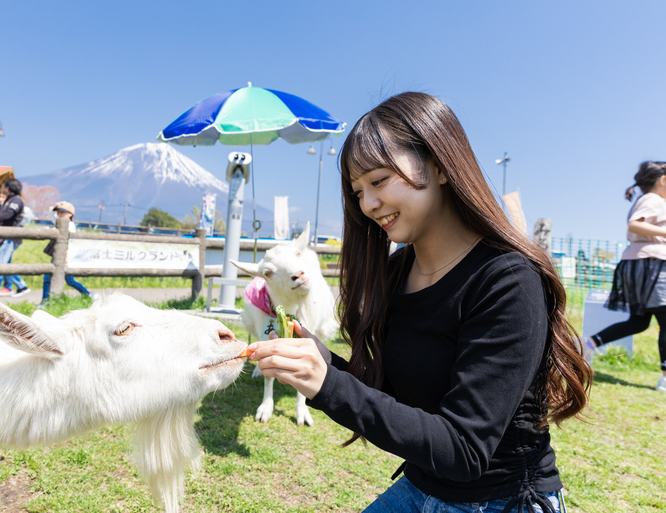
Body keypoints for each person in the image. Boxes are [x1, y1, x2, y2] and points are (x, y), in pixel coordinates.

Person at [246, 92, 591, 513]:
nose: (367, 204)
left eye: (378, 181)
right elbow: (400, 399)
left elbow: (463, 450)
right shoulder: (395, 273)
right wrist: (319, 362)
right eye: (357, 191)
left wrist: (329, 384)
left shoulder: (508, 280)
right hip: (422, 486)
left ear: (440, 165)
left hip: (501, 500)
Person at [585, 161, 666, 393]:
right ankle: (665, 379)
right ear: (662, 180)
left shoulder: (649, 200)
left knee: (639, 322)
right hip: (651, 265)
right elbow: (634, 225)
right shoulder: (654, 200)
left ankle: (586, 344)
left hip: (638, 263)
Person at [40, 201, 97, 304]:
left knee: (69, 280)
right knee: (51, 277)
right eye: (58, 212)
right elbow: (51, 217)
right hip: (59, 256)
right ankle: (45, 301)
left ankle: (88, 294)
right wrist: (54, 206)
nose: (59, 214)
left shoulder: (70, 225)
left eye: (62, 212)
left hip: (65, 258)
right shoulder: (60, 222)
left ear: (70, 214)